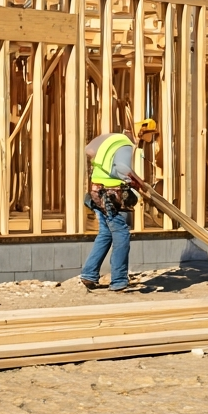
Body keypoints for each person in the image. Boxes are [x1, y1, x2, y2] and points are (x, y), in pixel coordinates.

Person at [78, 119, 156, 292]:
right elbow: (122, 167)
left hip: (96, 191)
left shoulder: (111, 140)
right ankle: (119, 280)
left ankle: (89, 274)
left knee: (106, 233)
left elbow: (89, 150)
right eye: (148, 136)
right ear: (140, 134)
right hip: (110, 194)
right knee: (121, 234)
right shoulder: (125, 144)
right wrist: (139, 183)